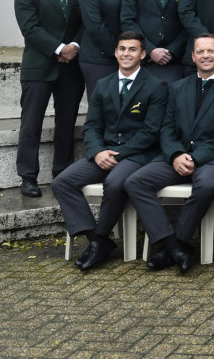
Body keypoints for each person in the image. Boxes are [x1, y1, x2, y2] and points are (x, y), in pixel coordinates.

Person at [124, 34, 214, 274]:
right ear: (192, 57)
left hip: (213, 157)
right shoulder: (177, 87)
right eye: (200, 52)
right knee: (135, 182)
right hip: (176, 155)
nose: (205, 56)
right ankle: (173, 245)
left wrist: (197, 157)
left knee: (207, 184)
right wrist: (176, 154)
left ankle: (176, 243)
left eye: (210, 51)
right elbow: (166, 128)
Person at [52, 31, 167, 271]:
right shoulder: (103, 85)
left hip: (136, 155)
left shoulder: (156, 87)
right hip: (103, 152)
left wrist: (119, 153)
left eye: (132, 49)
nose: (126, 54)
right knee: (62, 182)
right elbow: (92, 126)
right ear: (115, 52)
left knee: (114, 183)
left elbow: (150, 131)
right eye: (122, 49)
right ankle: (96, 240)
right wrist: (96, 153)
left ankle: (101, 237)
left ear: (143, 54)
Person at [14, 0, 85, 197]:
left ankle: (62, 174)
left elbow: (83, 22)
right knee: (31, 124)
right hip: (39, 67)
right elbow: (30, 28)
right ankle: (28, 177)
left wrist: (74, 45)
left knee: (66, 124)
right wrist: (59, 48)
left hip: (71, 69)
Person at [79, 0, 129, 97]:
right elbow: (94, 24)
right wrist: (117, 51)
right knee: (102, 107)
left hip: (130, 57)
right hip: (100, 58)